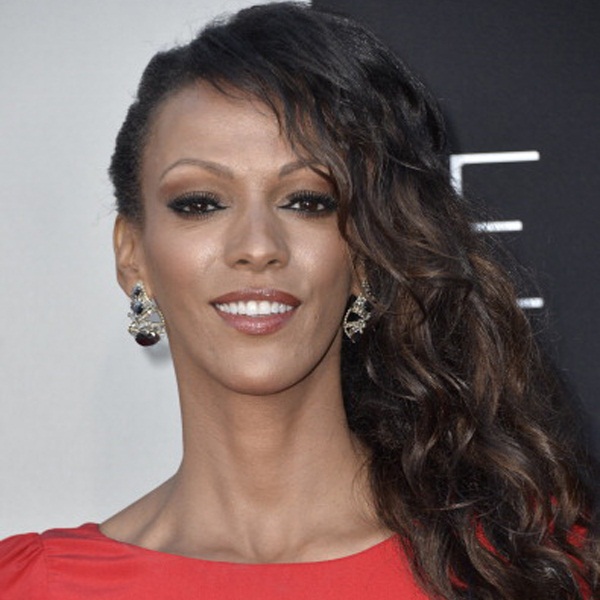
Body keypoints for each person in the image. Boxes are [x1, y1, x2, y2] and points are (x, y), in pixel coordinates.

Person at [1, 2, 598, 598]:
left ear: (364, 256)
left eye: (307, 201)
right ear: (132, 255)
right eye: (200, 203)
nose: (257, 247)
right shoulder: (32, 584)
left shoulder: (526, 569)